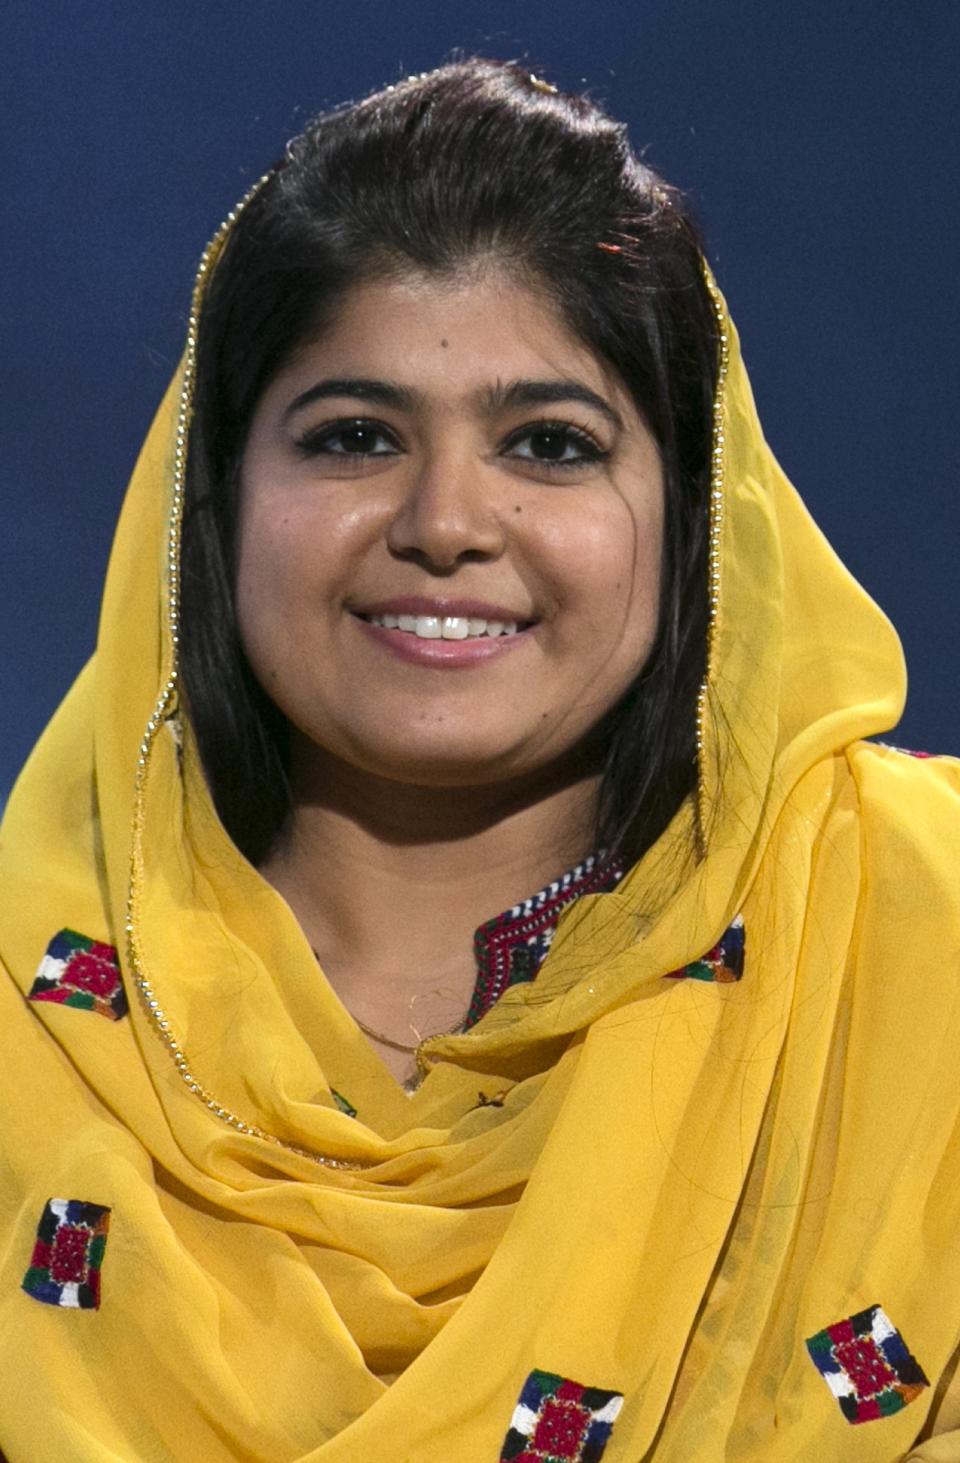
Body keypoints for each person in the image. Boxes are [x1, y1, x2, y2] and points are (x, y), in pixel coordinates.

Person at [0, 58, 957, 1463]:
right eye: (355, 438)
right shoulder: (37, 1025)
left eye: (551, 446)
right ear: (215, 504)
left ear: (692, 514)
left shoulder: (918, 953)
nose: (447, 521)